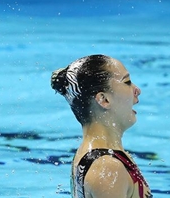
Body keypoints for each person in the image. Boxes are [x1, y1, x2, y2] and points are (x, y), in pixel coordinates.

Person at [51, 55, 153, 198]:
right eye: (127, 82)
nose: (137, 90)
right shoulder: (108, 168)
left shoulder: (94, 155)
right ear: (104, 99)